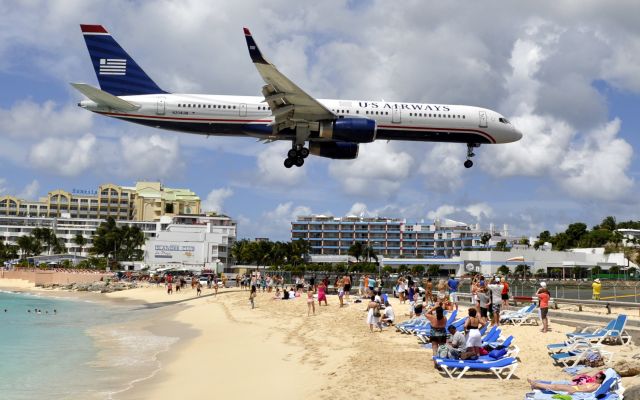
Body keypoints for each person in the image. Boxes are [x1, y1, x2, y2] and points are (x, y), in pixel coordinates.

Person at [527, 371, 606, 394]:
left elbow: (589, 390)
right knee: (556, 386)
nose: (595, 377)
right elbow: (597, 372)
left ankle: (536, 384)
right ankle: (537, 385)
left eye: (597, 377)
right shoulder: (594, 382)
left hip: (575, 389)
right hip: (575, 387)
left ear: (600, 380)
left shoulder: (596, 385)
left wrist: (576, 390)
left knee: (556, 387)